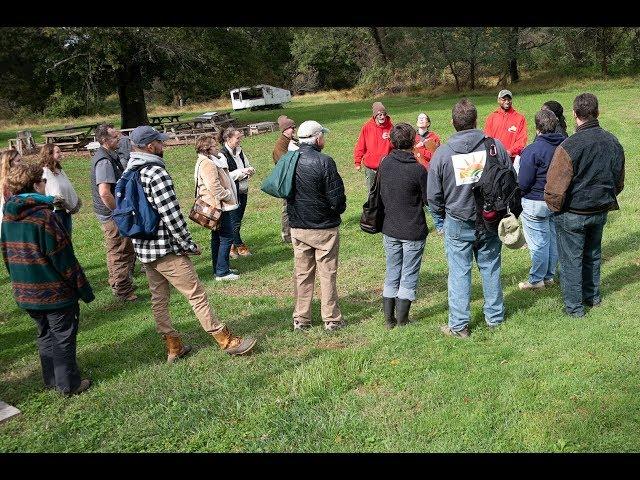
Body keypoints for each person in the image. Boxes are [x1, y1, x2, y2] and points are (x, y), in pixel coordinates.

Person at [127, 126, 256, 361]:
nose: (162, 145)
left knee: (159, 299)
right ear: (149, 146)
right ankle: (225, 340)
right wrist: (187, 244)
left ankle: (173, 346)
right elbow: (171, 215)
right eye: (159, 142)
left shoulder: (130, 171)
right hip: (167, 249)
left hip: (144, 249)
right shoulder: (155, 173)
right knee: (197, 295)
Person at [1, 163, 94, 395]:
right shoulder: (44, 217)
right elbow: (63, 258)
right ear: (35, 185)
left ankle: (52, 378)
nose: (45, 185)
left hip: (26, 292)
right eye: (43, 181)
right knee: (62, 335)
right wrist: (83, 289)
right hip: (54, 292)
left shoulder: (8, 218)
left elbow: (7, 256)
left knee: (44, 333)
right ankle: (69, 384)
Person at [428, 98, 515, 338]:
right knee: (490, 267)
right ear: (476, 120)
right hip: (487, 219)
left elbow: (433, 195)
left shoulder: (442, 154)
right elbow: (510, 179)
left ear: (453, 123)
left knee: (459, 272)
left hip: (460, 220)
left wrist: (439, 220)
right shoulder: (494, 146)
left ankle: (459, 325)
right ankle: (494, 318)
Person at [544, 93, 625, 318]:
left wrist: (556, 209)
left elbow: (555, 187)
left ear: (574, 114)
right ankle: (592, 297)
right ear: (597, 113)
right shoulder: (613, 141)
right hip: (599, 209)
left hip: (573, 212)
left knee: (572, 261)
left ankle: (575, 308)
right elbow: (618, 181)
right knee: (592, 254)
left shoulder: (569, 146)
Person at [287, 120, 347, 331]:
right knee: (327, 274)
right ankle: (331, 319)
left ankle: (301, 319)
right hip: (324, 228)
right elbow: (337, 197)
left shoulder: (289, 160)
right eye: (323, 135)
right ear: (317, 138)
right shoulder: (325, 161)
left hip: (298, 226)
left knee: (302, 274)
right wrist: (337, 210)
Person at [379, 123, 429, 329]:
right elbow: (428, 199)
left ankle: (390, 319)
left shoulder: (384, 164)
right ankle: (402, 319)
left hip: (390, 227)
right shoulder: (417, 170)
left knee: (392, 270)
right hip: (412, 229)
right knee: (409, 273)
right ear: (413, 142)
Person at [517, 109, 565, 290]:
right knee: (551, 239)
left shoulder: (532, 150)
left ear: (537, 128)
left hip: (535, 201)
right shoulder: (565, 145)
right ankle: (549, 276)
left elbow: (523, 182)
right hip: (557, 200)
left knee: (538, 243)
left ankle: (536, 280)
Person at [91, 123, 137, 301]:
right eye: (114, 137)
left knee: (117, 249)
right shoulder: (104, 161)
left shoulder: (109, 155)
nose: (118, 139)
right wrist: (119, 212)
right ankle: (122, 290)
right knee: (120, 250)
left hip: (110, 213)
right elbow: (104, 192)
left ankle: (119, 284)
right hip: (111, 215)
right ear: (104, 140)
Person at [194, 134, 239, 281]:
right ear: (207, 149)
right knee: (226, 237)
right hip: (218, 206)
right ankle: (222, 272)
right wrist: (227, 194)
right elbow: (213, 186)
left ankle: (219, 267)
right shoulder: (207, 163)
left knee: (217, 238)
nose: (216, 148)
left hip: (217, 206)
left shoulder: (206, 160)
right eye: (213, 145)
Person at [219, 127, 255, 258]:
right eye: (237, 138)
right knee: (234, 221)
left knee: (238, 219)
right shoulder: (222, 154)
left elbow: (246, 164)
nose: (240, 140)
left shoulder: (240, 151)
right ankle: (239, 246)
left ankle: (232, 247)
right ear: (228, 139)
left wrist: (250, 170)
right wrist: (241, 173)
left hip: (243, 189)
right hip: (231, 192)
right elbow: (224, 175)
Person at [40, 144, 81, 237]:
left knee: (67, 239)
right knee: (59, 241)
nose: (60, 154)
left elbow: (66, 187)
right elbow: (51, 191)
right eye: (57, 152)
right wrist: (59, 201)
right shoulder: (46, 172)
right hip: (55, 213)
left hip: (65, 212)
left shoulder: (59, 170)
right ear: (49, 154)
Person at [413, 112, 444, 234]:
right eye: (419, 118)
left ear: (428, 123)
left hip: (428, 173)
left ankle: (440, 225)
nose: (421, 120)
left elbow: (436, 156)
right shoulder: (412, 137)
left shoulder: (433, 137)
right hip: (414, 172)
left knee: (429, 200)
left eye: (424, 118)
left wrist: (422, 149)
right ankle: (417, 227)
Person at [354, 102, 393, 192]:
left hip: (385, 167)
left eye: (383, 114)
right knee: (371, 193)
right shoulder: (367, 127)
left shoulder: (391, 127)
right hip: (370, 167)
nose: (382, 117)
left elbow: (395, 147)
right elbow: (361, 145)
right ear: (375, 116)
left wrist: (390, 139)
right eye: (379, 114)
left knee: (386, 192)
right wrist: (357, 162)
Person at [272, 115, 299, 244]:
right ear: (284, 130)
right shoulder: (280, 145)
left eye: (294, 127)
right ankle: (286, 233)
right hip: (287, 181)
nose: (293, 129)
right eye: (290, 127)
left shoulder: (292, 141)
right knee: (287, 207)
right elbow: (284, 163)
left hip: (295, 179)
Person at [484, 89, 528, 163]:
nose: (507, 102)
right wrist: (494, 153)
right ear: (498, 100)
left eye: (509, 99)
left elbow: (521, 140)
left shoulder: (520, 118)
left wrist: (510, 152)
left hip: (512, 160)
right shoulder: (491, 118)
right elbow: (488, 138)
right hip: (495, 159)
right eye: (504, 99)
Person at [0, 149, 23, 223]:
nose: (21, 163)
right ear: (9, 163)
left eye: (21, 160)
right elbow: (9, 206)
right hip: (12, 220)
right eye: (18, 161)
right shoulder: (7, 182)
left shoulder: (20, 177)